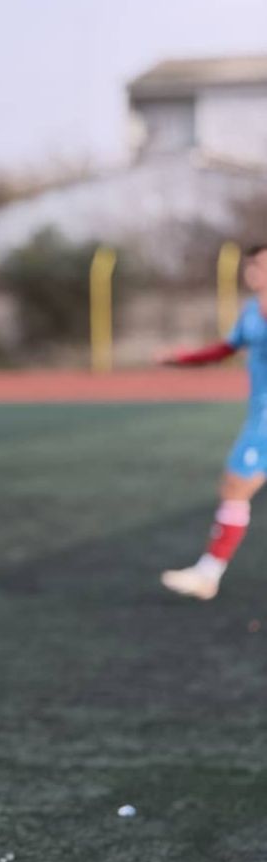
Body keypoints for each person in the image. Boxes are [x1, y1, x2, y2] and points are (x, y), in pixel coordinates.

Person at [161, 242, 267, 600]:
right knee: (235, 487)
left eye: (261, 264)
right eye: (252, 264)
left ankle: (208, 574)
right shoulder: (251, 310)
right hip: (260, 414)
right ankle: (208, 574)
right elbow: (226, 348)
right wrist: (182, 359)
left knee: (236, 486)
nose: (253, 270)